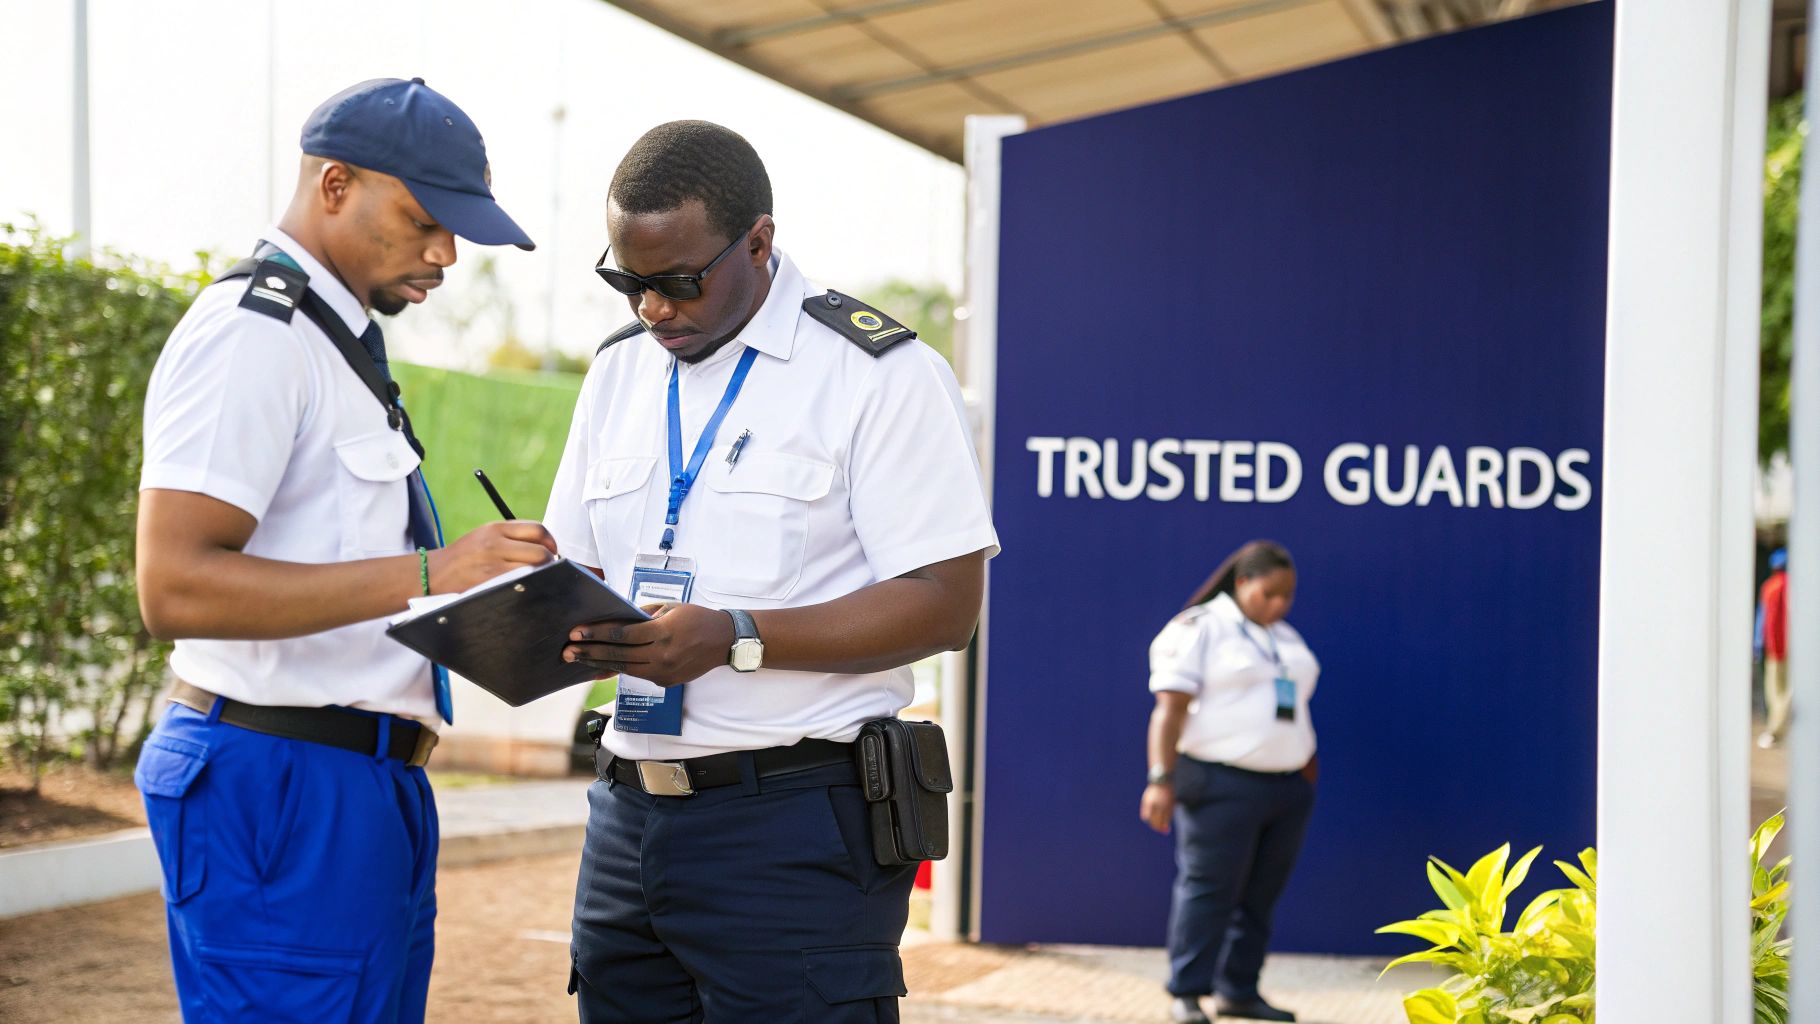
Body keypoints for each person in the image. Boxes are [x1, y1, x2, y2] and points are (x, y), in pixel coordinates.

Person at [543, 120, 999, 1022]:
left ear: (759, 241)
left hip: (793, 829)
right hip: (626, 813)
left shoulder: (878, 375)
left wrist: (738, 637)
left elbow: (947, 606)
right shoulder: (618, 375)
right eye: (627, 282)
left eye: (677, 282)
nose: (652, 310)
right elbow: (580, 562)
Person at [133, 78, 553, 1023]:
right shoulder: (254, 336)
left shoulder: (338, 344)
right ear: (334, 185)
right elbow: (175, 586)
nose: (445, 253)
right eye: (423, 220)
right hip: (280, 782)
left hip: (361, 785)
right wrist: (435, 572)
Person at [1141, 541, 1319, 1024]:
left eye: (1288, 595)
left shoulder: (1285, 638)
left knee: (1261, 895)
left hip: (1285, 789)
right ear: (1242, 583)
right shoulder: (1200, 628)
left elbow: (1293, 705)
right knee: (1209, 890)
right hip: (1220, 784)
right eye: (1270, 593)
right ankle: (1187, 992)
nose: (1280, 604)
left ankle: (1239, 990)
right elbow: (1169, 712)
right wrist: (1161, 778)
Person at [1757, 547, 1790, 748]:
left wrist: (1758, 643)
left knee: (1775, 691)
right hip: (1788, 647)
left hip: (1775, 647)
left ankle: (1776, 731)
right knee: (1784, 691)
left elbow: (1763, 620)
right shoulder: (1794, 586)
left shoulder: (1771, 587)